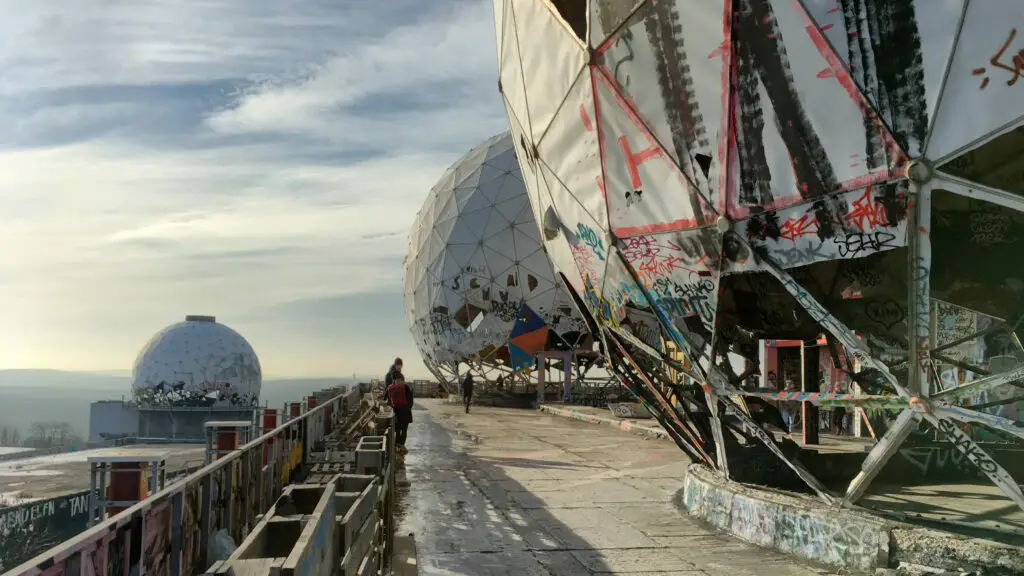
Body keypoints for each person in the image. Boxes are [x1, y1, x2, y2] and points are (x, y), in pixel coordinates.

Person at [386, 373, 413, 452]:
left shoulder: (390, 388)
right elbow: (410, 400)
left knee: (398, 430)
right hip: (404, 410)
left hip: (396, 411)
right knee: (403, 430)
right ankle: (401, 446)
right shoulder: (405, 387)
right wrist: (408, 408)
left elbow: (388, 400)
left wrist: (392, 406)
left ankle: (398, 446)